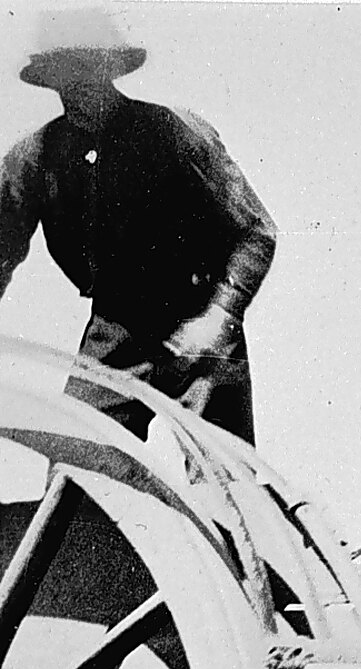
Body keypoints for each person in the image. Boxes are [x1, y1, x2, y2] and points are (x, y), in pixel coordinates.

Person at [0, 8, 277, 444]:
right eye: (64, 75)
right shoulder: (36, 157)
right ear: (50, 80)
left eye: (87, 71)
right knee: (77, 456)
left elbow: (256, 231)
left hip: (199, 318)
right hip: (116, 327)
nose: (76, 88)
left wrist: (219, 317)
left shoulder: (175, 132)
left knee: (224, 472)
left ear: (111, 70)